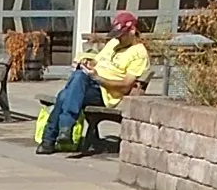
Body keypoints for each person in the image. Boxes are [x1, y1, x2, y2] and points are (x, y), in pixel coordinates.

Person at [36, 10, 150, 154]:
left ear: (132, 30)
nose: (118, 39)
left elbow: (126, 85)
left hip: (106, 92)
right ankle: (62, 131)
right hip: (89, 83)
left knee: (67, 93)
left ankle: (50, 138)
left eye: (121, 35)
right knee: (73, 84)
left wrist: (98, 78)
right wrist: (87, 63)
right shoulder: (114, 43)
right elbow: (96, 61)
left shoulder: (139, 54)